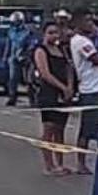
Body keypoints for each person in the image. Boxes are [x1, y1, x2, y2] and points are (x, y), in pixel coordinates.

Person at [69, 11, 98, 175]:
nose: (91, 24)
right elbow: (97, 59)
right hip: (90, 90)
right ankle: (81, 163)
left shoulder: (89, 39)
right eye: (87, 21)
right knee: (87, 129)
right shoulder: (80, 41)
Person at [32, 23, 74, 176]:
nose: (54, 35)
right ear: (44, 34)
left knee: (60, 129)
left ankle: (60, 163)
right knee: (49, 129)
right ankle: (49, 165)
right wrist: (62, 87)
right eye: (50, 32)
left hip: (64, 94)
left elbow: (69, 68)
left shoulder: (62, 50)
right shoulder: (40, 50)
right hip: (49, 93)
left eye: (56, 32)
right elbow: (45, 73)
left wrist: (69, 87)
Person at [3, 11, 34, 106]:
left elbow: (31, 43)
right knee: (12, 78)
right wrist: (5, 56)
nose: (15, 23)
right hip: (13, 57)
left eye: (17, 21)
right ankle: (12, 97)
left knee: (28, 79)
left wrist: (28, 54)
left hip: (25, 57)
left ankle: (32, 99)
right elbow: (8, 44)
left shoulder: (28, 31)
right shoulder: (11, 31)